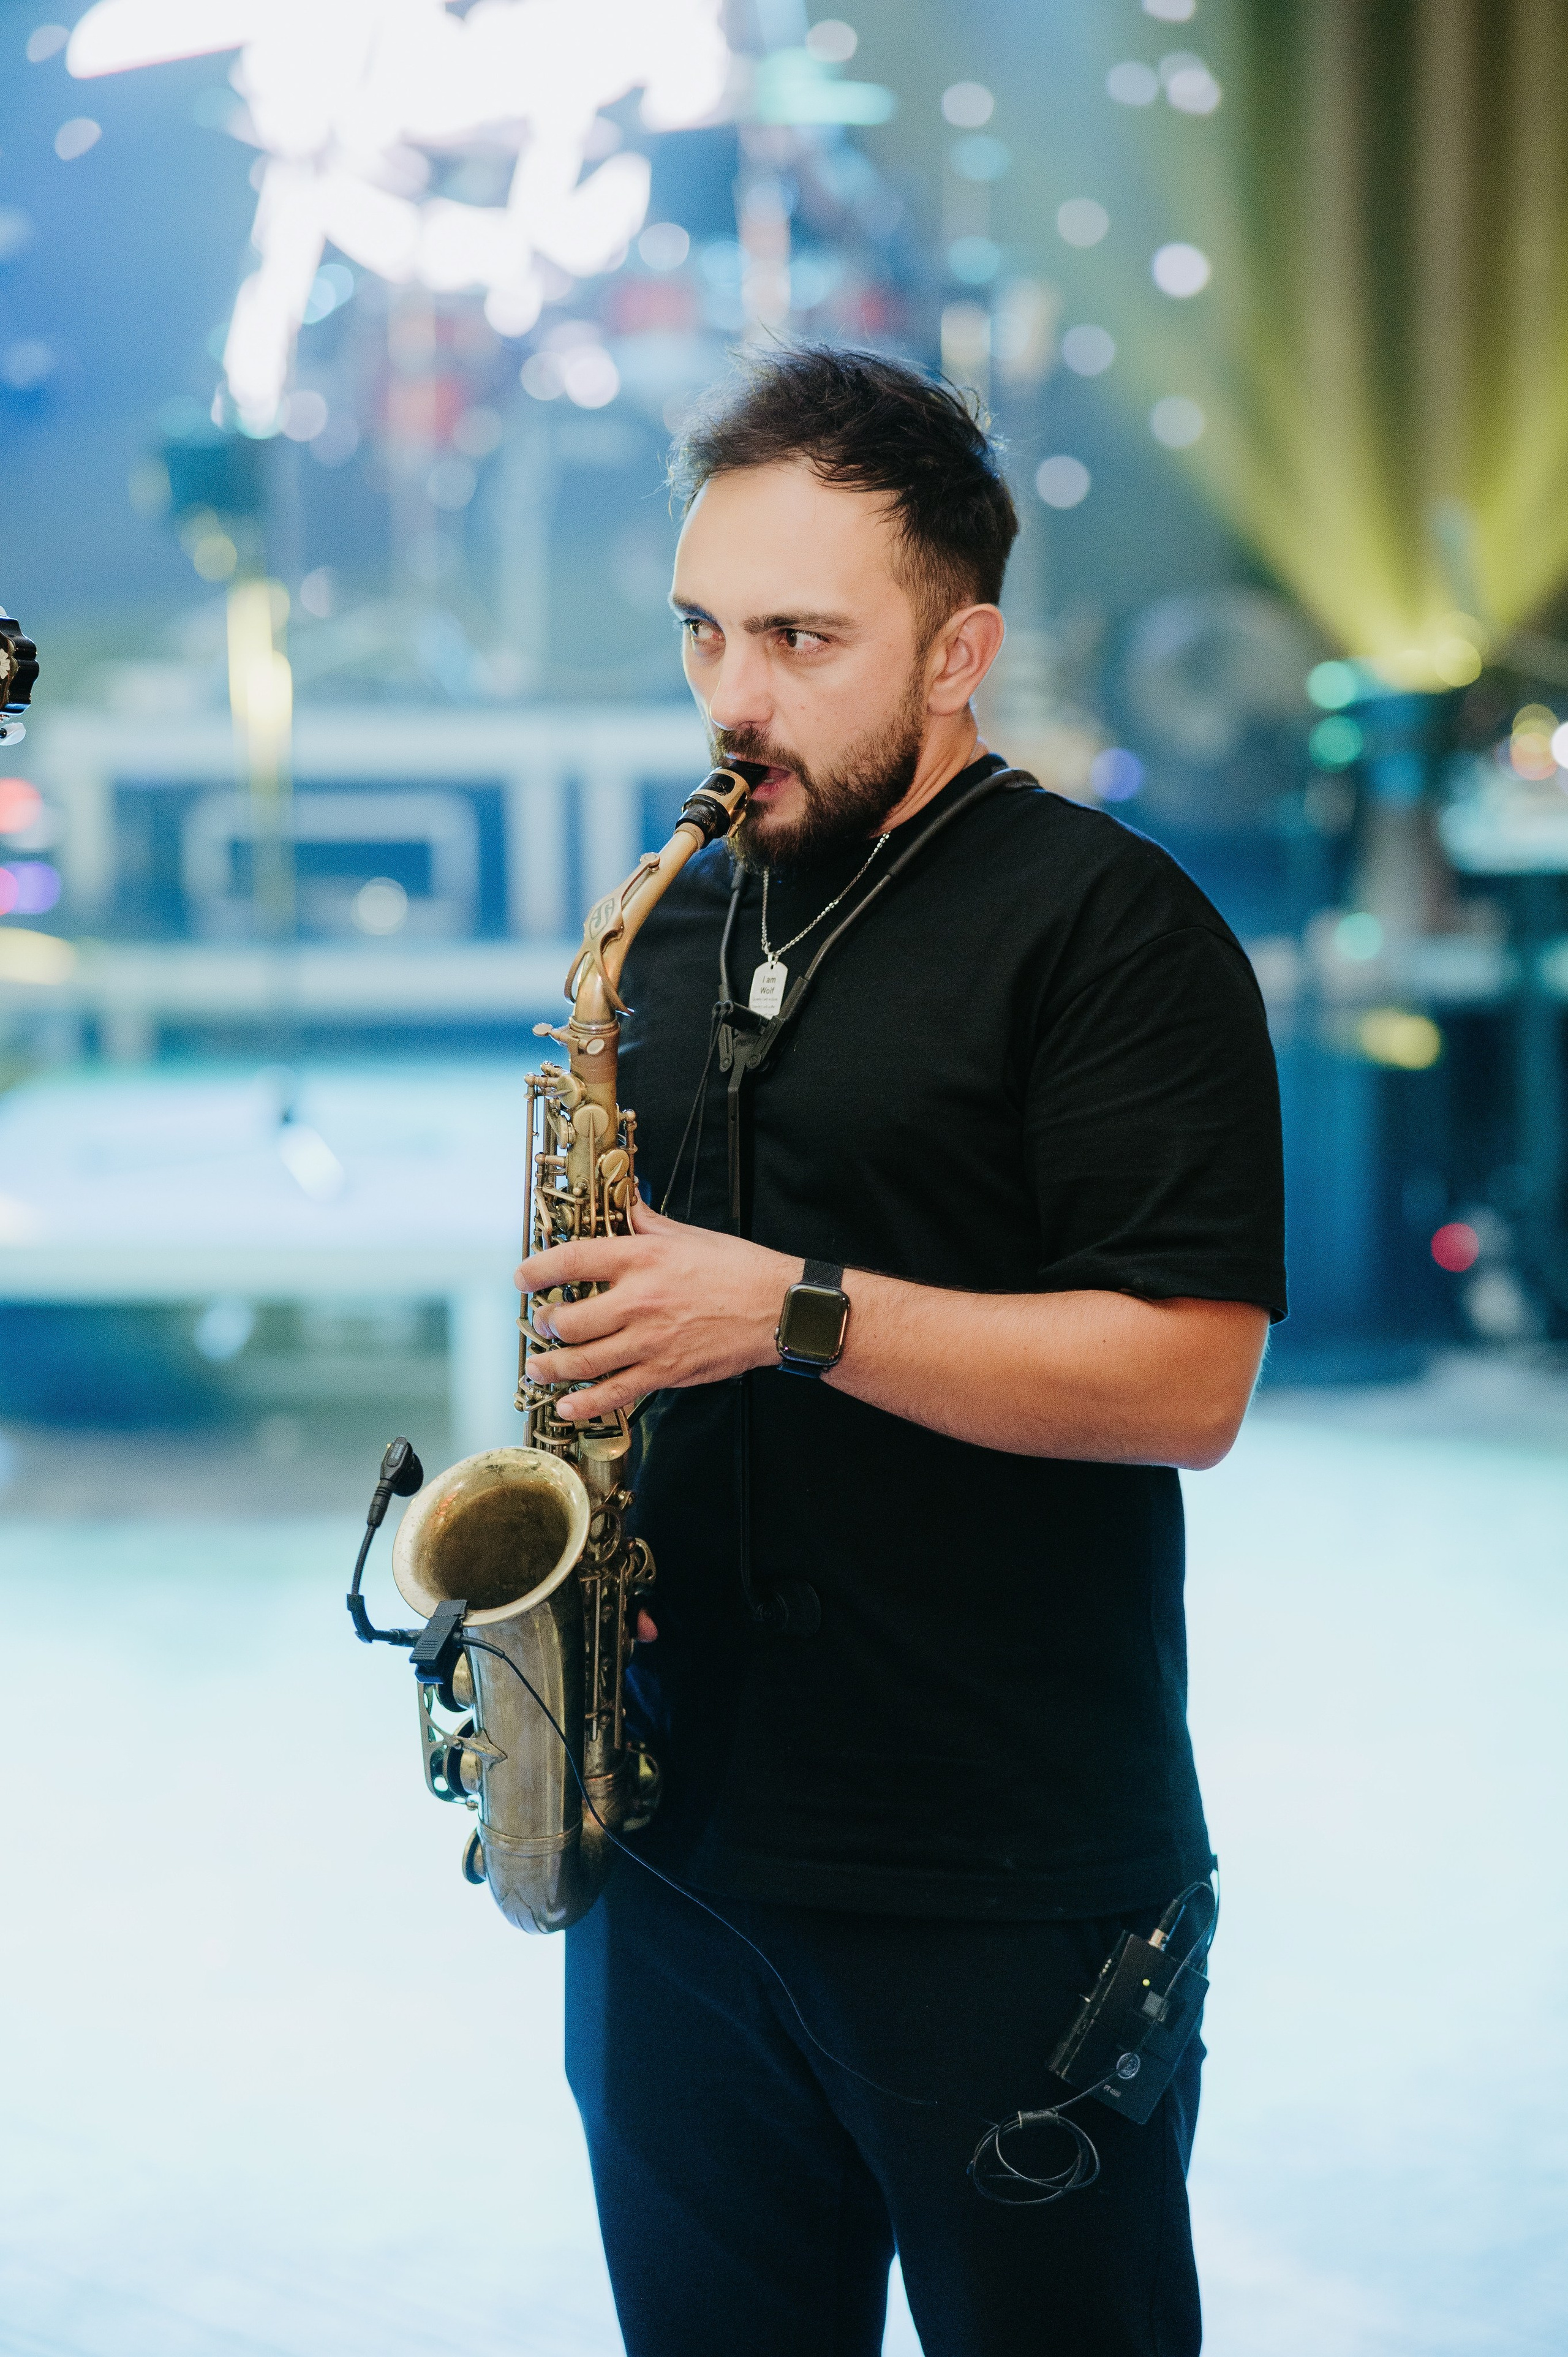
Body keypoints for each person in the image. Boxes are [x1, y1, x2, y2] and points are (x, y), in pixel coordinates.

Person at [516, 346, 1285, 2357]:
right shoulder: (661, 931)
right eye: (703, 632)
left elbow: (1188, 1383)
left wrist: (790, 1313)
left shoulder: (1114, 932)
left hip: (1002, 1873)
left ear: (962, 651)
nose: (733, 699)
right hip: (673, 1850)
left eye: (800, 638)